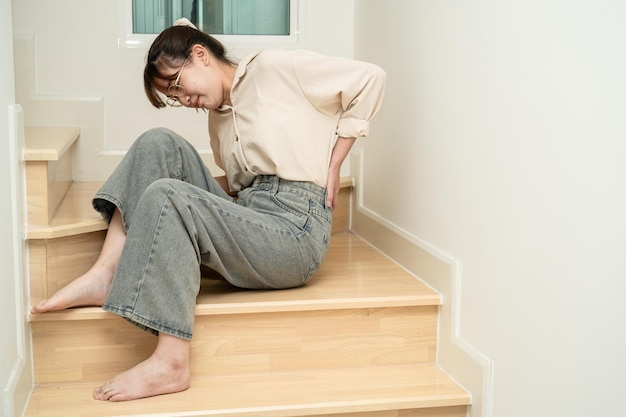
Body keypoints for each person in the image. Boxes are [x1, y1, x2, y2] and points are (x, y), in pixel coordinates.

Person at [30, 18, 386, 402]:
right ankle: (107, 271)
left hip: (295, 230)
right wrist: (178, 193)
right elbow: (237, 187)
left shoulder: (273, 68)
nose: (183, 101)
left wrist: (333, 164)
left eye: (178, 86)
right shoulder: (220, 117)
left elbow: (371, 78)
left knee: (167, 194)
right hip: (251, 213)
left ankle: (171, 362)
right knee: (158, 142)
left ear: (200, 55)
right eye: (174, 97)